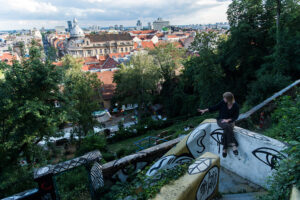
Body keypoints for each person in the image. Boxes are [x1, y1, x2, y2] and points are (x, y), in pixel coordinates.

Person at [198, 92, 239, 158]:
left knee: (227, 128)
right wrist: (204, 110)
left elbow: (236, 117)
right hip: (221, 120)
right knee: (227, 126)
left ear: (229, 99)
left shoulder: (236, 106)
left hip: (230, 121)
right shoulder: (222, 103)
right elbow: (214, 107)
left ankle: (225, 148)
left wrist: (228, 120)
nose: (223, 99)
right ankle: (233, 144)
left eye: (224, 98)